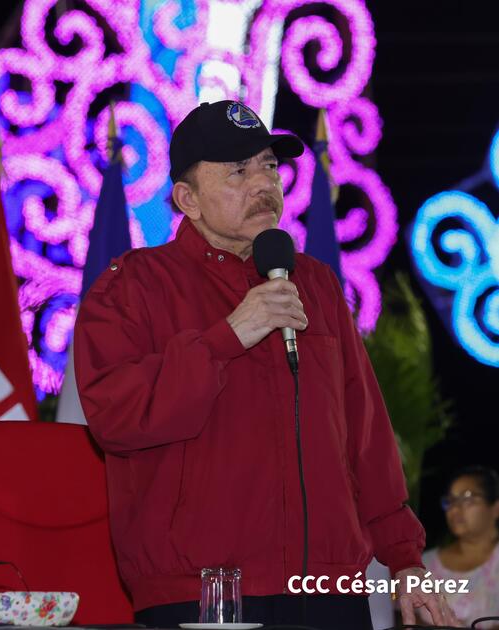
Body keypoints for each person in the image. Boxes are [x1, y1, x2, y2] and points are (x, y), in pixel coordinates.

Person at [73, 100, 455, 629]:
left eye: (269, 166)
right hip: (202, 590)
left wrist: (406, 559)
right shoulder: (133, 286)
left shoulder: (314, 282)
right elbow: (117, 417)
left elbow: (363, 433)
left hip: (327, 588)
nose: (263, 184)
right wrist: (227, 336)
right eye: (238, 171)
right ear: (187, 199)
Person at [422, 466, 499, 627]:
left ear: (495, 508)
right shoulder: (424, 565)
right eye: (450, 501)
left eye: (467, 498)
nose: (455, 508)